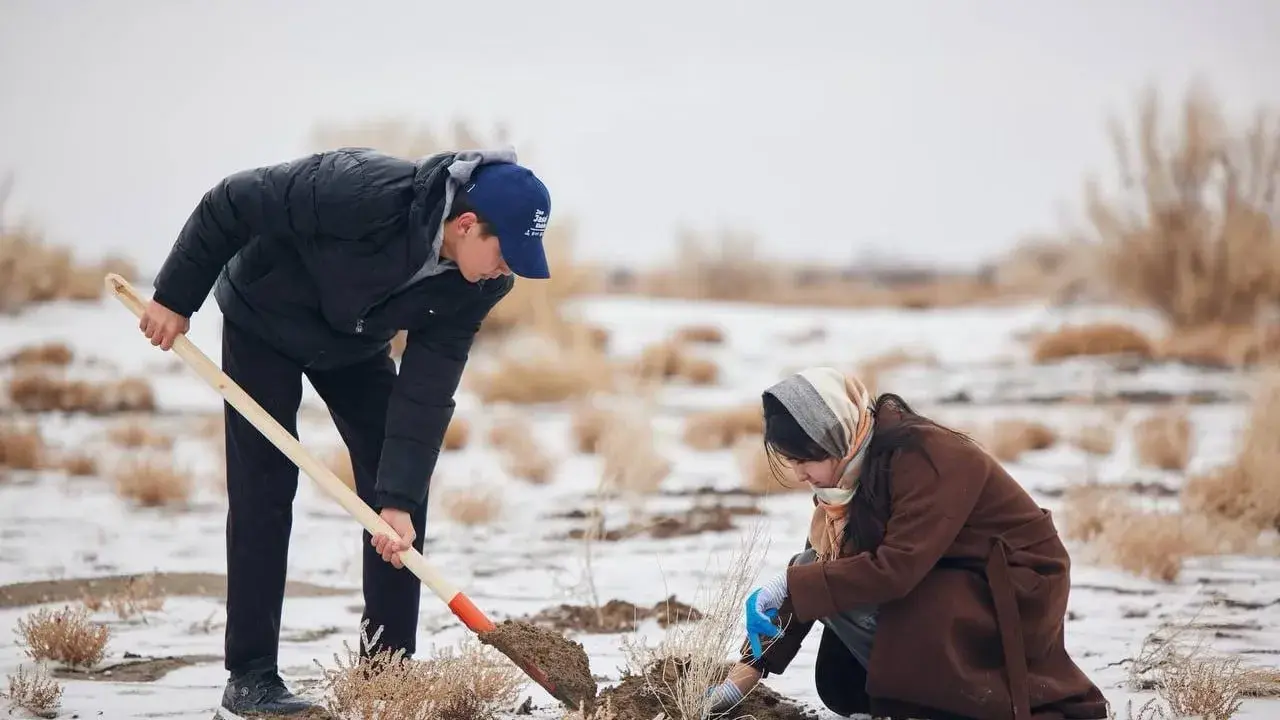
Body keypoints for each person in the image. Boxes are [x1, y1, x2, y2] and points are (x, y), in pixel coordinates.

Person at [139, 146, 551, 716]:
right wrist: (174, 297)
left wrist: (398, 500)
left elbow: (427, 389)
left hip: (353, 343)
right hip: (267, 317)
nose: (508, 269)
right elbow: (231, 201)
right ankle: (251, 674)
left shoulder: (479, 284)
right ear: (465, 225)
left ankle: (386, 674)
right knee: (265, 481)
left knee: (398, 488)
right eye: (506, 253)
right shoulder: (361, 192)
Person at [704, 368, 1110, 720]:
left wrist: (791, 585)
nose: (799, 475)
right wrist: (747, 672)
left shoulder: (927, 456)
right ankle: (924, 692)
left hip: (1013, 589)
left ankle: (965, 701)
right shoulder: (847, 478)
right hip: (949, 577)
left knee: (814, 578)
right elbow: (820, 566)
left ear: (833, 437)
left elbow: (895, 569)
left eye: (804, 459)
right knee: (826, 621)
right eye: (790, 463)